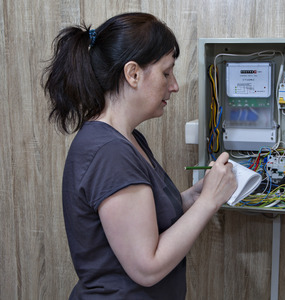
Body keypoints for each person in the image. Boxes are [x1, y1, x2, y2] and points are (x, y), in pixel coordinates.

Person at [42, 12, 237, 299]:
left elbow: (146, 216)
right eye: (166, 73)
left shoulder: (127, 138)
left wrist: (195, 196)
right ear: (132, 74)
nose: (174, 85)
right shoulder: (109, 152)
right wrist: (208, 203)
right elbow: (147, 267)